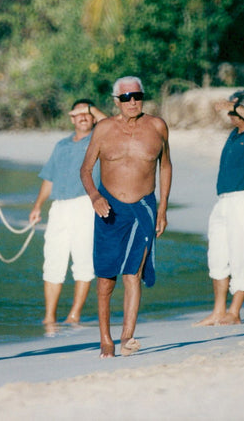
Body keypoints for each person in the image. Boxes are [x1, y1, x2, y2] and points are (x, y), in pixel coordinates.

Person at [80, 76, 172, 358]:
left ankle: (126, 337)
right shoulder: (104, 129)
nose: (132, 102)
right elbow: (85, 170)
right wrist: (95, 196)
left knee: (134, 273)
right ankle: (105, 338)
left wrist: (163, 208)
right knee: (106, 280)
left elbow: (165, 167)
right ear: (116, 101)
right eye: (125, 98)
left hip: (143, 207)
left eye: (137, 96)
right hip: (109, 208)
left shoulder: (157, 127)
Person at [29, 99, 107, 334]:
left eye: (87, 113)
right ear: (71, 118)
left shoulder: (100, 139)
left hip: (86, 204)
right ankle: (49, 317)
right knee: (53, 261)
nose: (83, 117)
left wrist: (92, 110)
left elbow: (113, 123)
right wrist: (37, 206)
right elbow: (49, 179)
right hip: (59, 207)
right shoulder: (61, 145)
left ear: (94, 117)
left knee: (83, 261)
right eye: (78, 113)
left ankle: (74, 315)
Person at [196, 90, 244, 327]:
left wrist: (235, 106)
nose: (230, 114)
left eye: (234, 110)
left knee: (240, 256)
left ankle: (235, 312)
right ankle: (219, 311)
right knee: (217, 256)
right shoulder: (234, 134)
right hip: (224, 201)